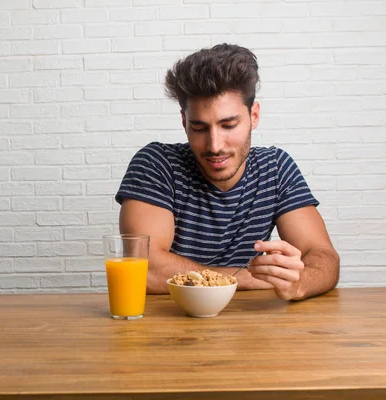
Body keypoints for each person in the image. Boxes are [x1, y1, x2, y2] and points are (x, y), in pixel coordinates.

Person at [115, 43, 340, 301]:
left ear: (253, 116)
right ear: (184, 122)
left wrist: (299, 282)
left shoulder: (276, 168)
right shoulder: (156, 164)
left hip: (249, 328)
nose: (215, 145)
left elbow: (324, 257)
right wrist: (239, 277)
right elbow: (143, 267)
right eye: (199, 128)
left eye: (228, 125)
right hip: (169, 326)